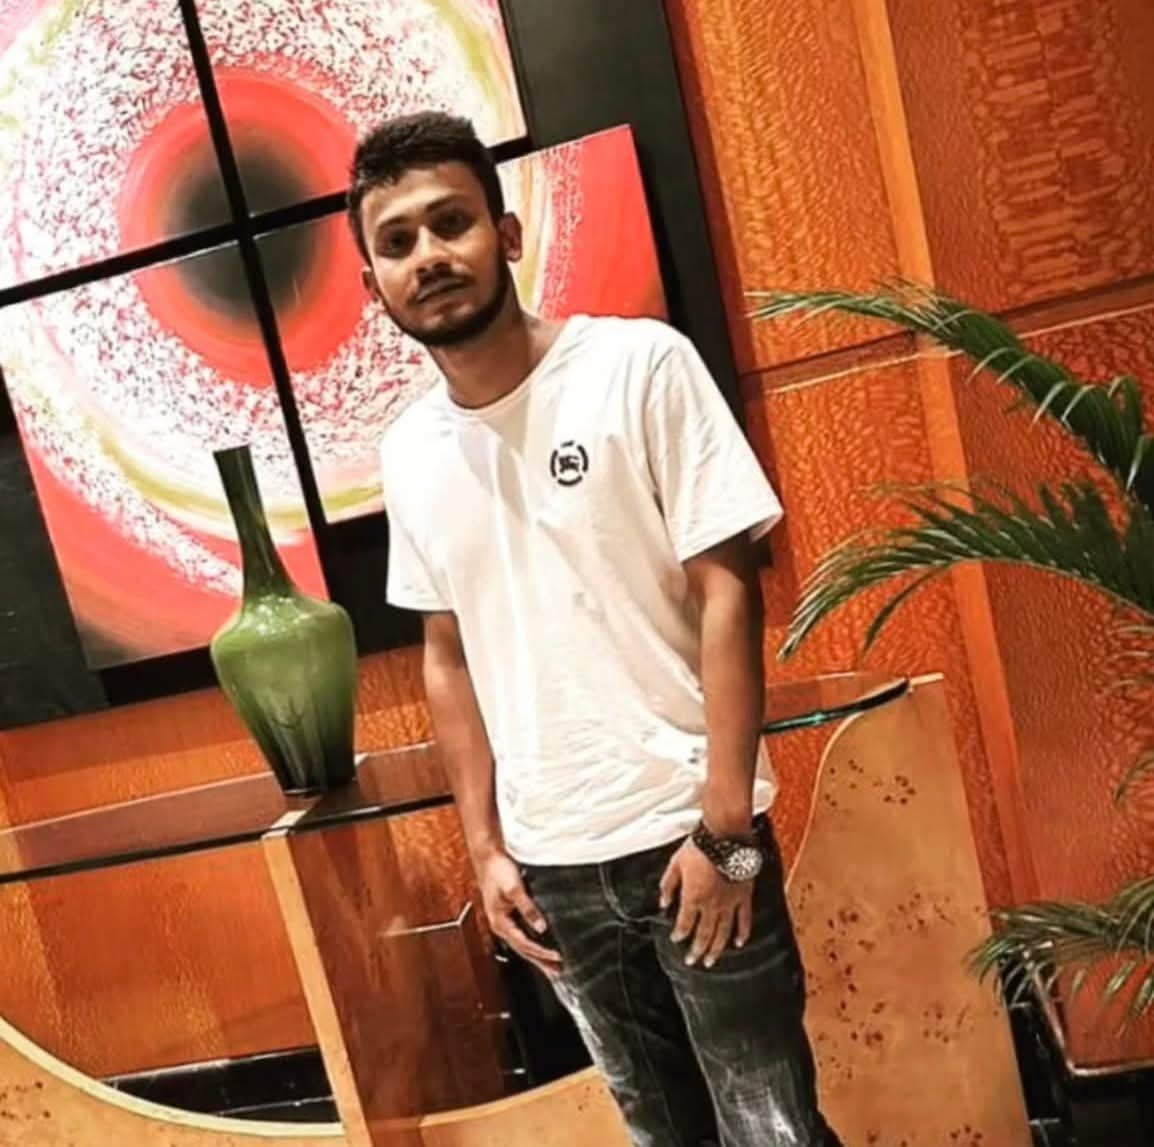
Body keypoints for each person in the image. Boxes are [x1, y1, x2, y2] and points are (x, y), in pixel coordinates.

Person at [349, 110, 841, 1147]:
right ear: (372, 282)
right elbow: (446, 656)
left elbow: (728, 590)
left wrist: (726, 832)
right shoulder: (409, 453)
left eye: (450, 222)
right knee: (661, 1134)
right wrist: (486, 850)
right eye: (397, 240)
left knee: (772, 1130)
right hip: (553, 872)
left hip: (692, 833)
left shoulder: (637, 367)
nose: (428, 255)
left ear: (506, 234)